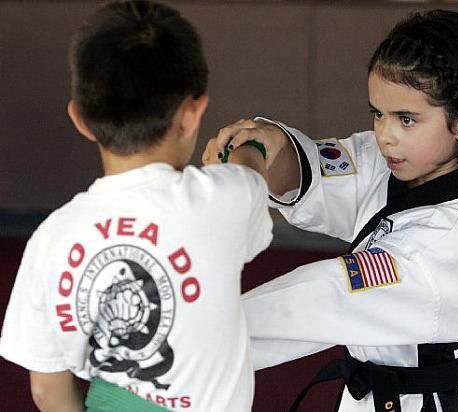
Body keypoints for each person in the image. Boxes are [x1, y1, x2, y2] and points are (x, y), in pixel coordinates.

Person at [204, 9, 458, 412]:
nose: (385, 135)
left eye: (407, 119)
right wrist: (262, 146)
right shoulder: (395, 160)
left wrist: (188, 338)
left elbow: (324, 297)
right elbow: (315, 169)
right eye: (378, 113)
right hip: (371, 394)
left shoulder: (443, 242)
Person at [0, 1, 272, 411]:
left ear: (80, 119)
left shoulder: (51, 236)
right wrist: (250, 143)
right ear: (192, 113)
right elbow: (252, 172)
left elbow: (46, 388)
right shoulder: (227, 198)